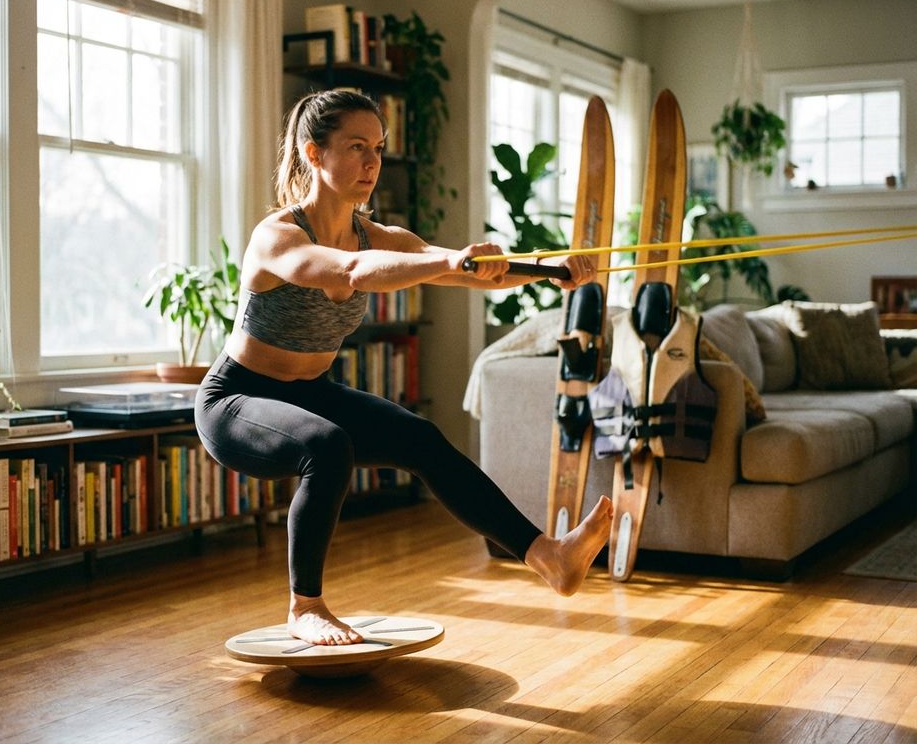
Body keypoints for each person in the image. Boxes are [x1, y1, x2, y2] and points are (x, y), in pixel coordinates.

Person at [195, 89, 614, 647]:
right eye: (356, 147)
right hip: (236, 401)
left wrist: (549, 268)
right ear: (312, 154)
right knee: (327, 445)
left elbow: (472, 273)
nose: (372, 163)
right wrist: (445, 259)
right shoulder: (278, 236)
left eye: (379, 149)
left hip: (311, 393)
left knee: (420, 439)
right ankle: (307, 606)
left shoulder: (383, 237)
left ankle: (550, 557)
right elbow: (347, 271)